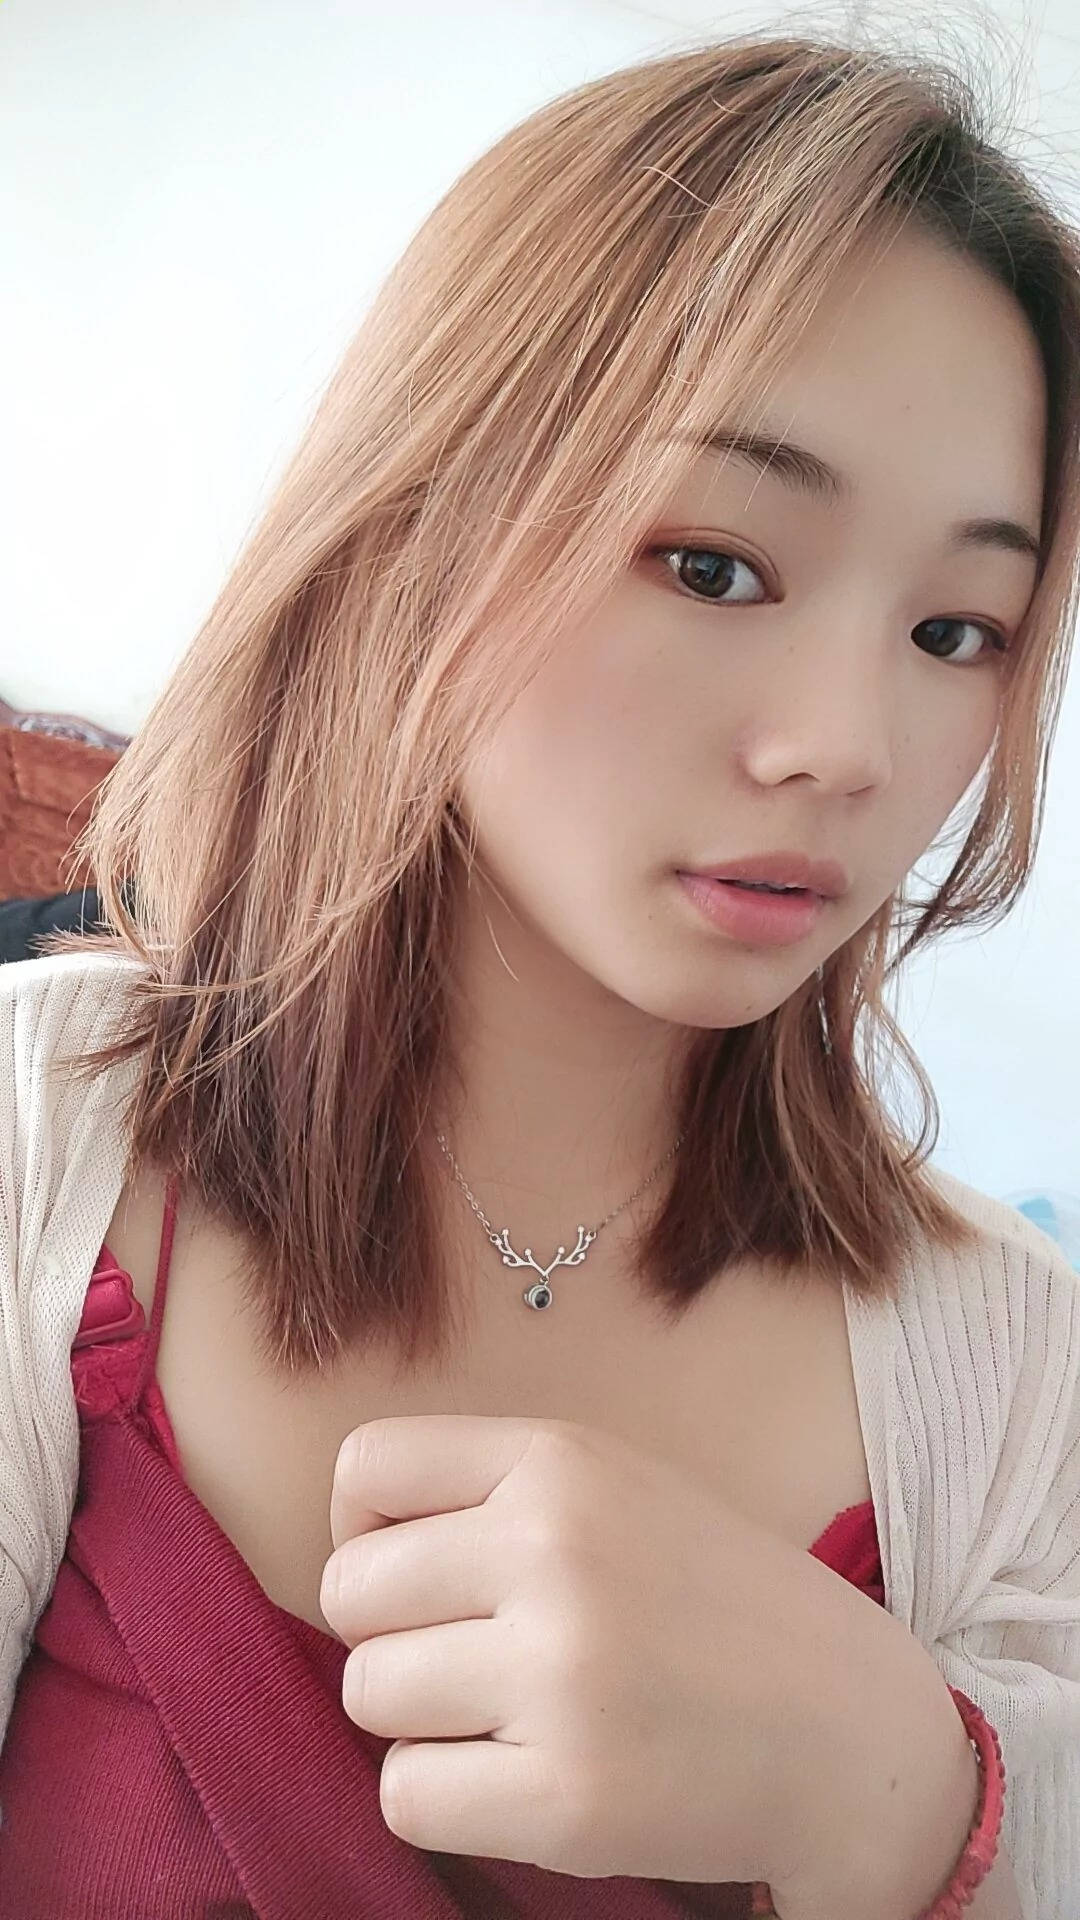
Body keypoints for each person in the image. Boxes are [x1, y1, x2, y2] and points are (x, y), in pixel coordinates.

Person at [0, 28, 1077, 1920]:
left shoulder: (1017, 1365)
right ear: (422, 517)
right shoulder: (43, 1141)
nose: (845, 748)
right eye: (716, 566)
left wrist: (910, 1794)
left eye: (955, 630)